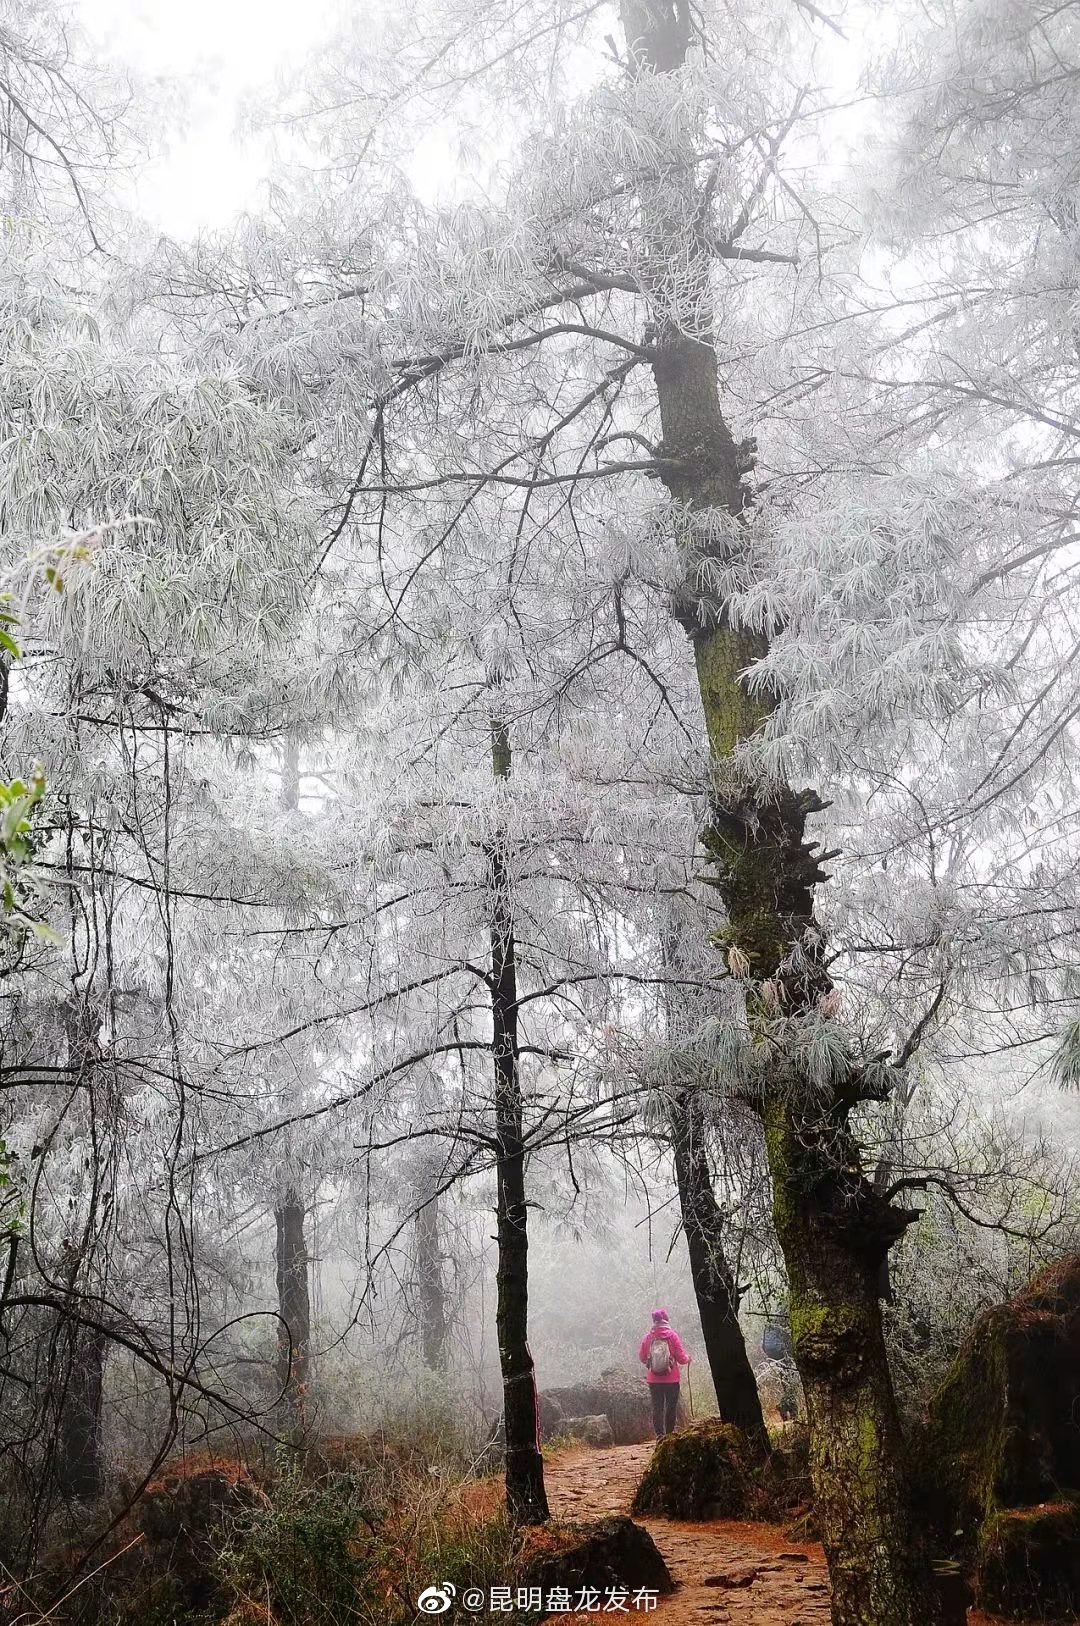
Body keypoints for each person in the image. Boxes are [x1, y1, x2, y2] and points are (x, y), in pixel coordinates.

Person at [638, 1308, 690, 1439]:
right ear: (666, 1320)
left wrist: (652, 1363)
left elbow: (642, 1357)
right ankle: (669, 1435)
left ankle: (659, 1436)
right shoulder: (672, 1336)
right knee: (671, 1408)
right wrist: (688, 1358)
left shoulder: (648, 1337)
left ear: (654, 1321)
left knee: (657, 1408)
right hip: (671, 1379)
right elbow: (682, 1358)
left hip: (654, 1380)